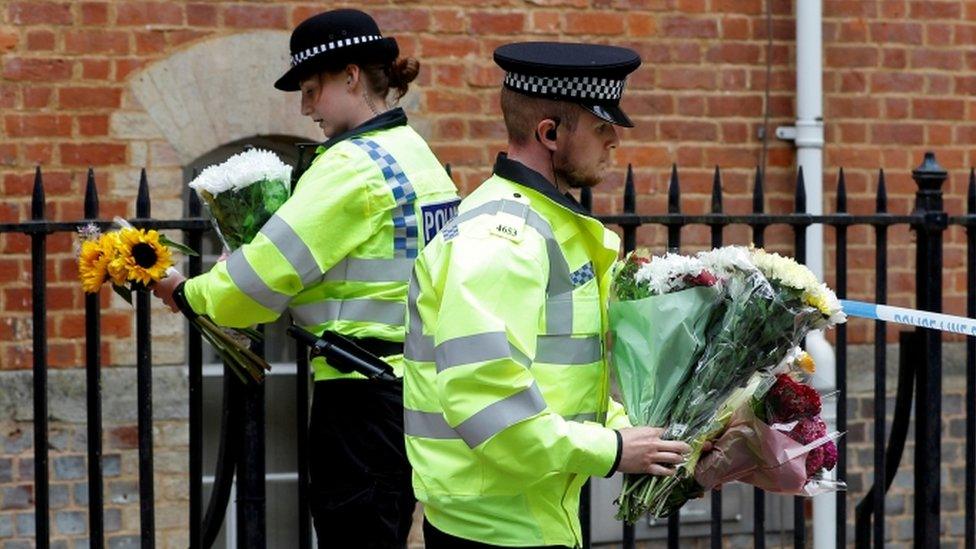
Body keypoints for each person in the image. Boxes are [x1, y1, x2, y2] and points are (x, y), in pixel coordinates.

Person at [152, 9, 459, 548]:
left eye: (312, 89)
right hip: (416, 392)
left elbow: (258, 282)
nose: (304, 106)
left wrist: (185, 291)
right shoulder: (417, 156)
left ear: (351, 76)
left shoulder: (350, 166)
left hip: (359, 398)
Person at [401, 42, 693, 548]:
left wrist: (646, 436)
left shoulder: (543, 224)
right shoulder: (503, 240)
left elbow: (562, 385)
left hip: (522, 513)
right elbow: (489, 404)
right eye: (603, 127)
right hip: (499, 527)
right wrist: (612, 450)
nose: (614, 143)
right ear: (550, 133)